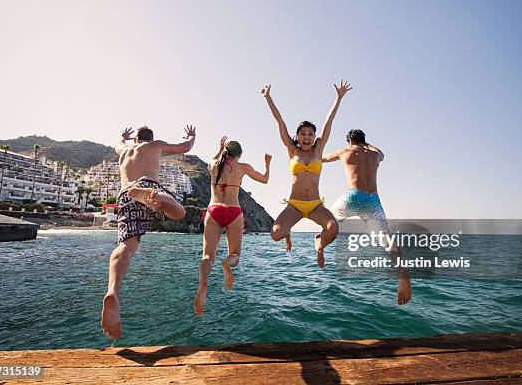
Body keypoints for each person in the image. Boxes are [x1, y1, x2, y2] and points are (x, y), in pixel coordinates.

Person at [101, 125, 196, 339]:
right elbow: (185, 147)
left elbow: (118, 143)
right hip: (147, 185)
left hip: (126, 194)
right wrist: (191, 136)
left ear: (135, 139)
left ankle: (112, 291)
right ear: (150, 138)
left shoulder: (124, 150)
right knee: (179, 212)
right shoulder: (155, 144)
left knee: (127, 244)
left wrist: (123, 137)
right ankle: (158, 200)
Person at [260, 80, 352, 268]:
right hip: (294, 205)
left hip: (315, 205)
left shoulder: (319, 149)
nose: (307, 137)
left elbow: (329, 121)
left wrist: (338, 98)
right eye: (303, 133)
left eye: (310, 134)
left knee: (333, 229)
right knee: (276, 234)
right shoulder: (292, 150)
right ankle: (287, 233)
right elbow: (280, 121)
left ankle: (319, 243)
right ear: (297, 136)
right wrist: (268, 98)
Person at [323, 129, 412, 305]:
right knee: (386, 240)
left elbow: (321, 158)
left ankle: (321, 244)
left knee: (326, 221)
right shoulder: (375, 155)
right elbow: (382, 153)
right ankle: (402, 270)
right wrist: (366, 144)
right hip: (372, 200)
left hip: (352, 197)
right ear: (365, 140)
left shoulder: (345, 151)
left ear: (349, 141)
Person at [194, 137, 271, 316]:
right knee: (234, 254)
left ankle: (203, 286)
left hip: (214, 210)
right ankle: (227, 263)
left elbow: (210, 163)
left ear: (224, 152)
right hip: (234, 212)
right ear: (239, 154)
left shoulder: (213, 164)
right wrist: (267, 164)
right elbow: (265, 180)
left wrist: (219, 149)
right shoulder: (243, 167)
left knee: (207, 256)